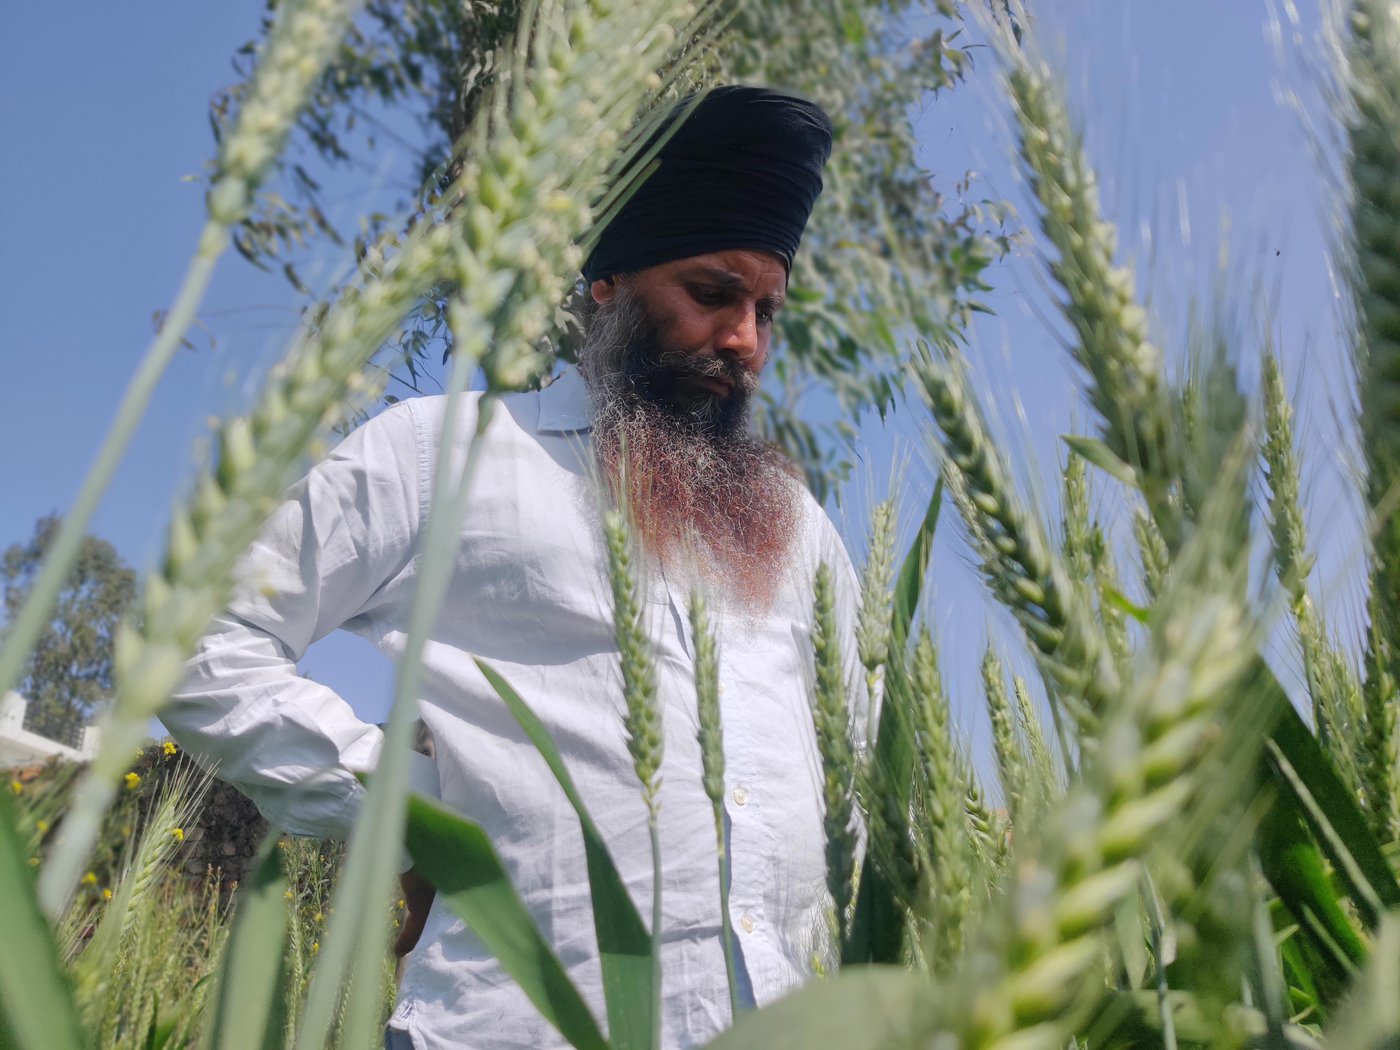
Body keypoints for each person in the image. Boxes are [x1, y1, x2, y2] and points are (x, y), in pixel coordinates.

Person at [163, 85, 864, 1050]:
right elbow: (194, 640)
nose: (743, 340)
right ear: (609, 285)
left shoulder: (798, 527)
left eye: (766, 312)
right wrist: (403, 807)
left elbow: (853, 761)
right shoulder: (442, 453)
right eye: (711, 293)